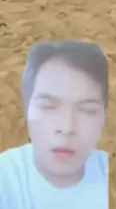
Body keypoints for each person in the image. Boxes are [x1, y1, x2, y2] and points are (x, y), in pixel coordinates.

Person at [0, 39, 108, 209]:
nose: (67, 128)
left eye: (87, 110)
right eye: (48, 107)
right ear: (26, 109)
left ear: (104, 117)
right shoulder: (6, 179)